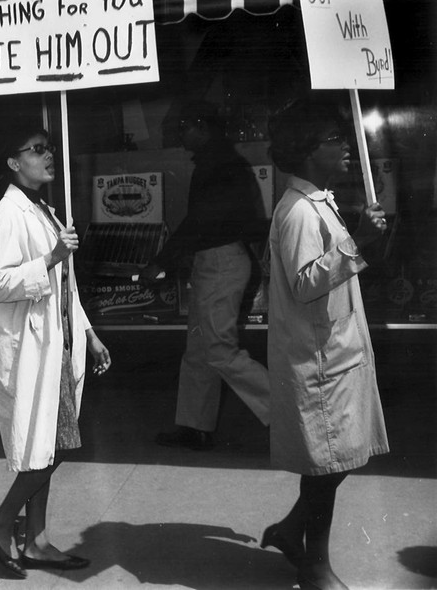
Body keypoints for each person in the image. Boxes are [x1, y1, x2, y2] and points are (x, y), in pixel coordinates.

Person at [261, 96, 389, 590]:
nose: (346, 150)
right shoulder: (296, 212)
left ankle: (292, 532)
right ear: (307, 150)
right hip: (318, 362)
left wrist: (363, 241)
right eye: (336, 141)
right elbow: (304, 283)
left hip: (337, 353)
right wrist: (357, 242)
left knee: (336, 459)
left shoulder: (320, 202)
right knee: (326, 463)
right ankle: (314, 564)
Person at [0, 125, 111, 578]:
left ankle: (35, 540)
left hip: (61, 342)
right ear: (14, 163)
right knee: (50, 449)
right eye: (37, 150)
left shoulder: (47, 211)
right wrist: (51, 258)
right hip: (34, 348)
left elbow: (64, 288)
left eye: (49, 148)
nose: (48, 155)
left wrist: (89, 333)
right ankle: (0, 520)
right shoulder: (6, 216)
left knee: (52, 444)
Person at [141, 101, 270, 450]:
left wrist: (162, 260)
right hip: (219, 261)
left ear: (203, 126)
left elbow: (199, 222)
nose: (180, 135)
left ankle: (291, 412)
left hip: (221, 263)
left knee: (218, 351)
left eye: (184, 126)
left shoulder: (217, 165)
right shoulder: (223, 162)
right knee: (200, 350)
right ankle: (194, 428)